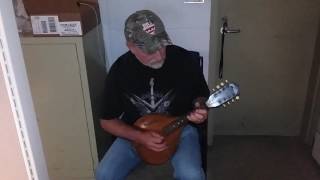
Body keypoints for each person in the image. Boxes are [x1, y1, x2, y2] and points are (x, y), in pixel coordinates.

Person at [96, 9, 209, 180]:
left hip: (181, 127)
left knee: (192, 175)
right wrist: (139, 136)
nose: (159, 55)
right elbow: (107, 121)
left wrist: (200, 108)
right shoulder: (120, 70)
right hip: (135, 130)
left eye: (161, 45)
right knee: (104, 174)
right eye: (150, 50)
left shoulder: (184, 59)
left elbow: (201, 95)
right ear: (131, 47)